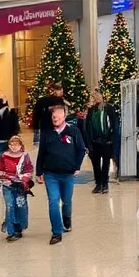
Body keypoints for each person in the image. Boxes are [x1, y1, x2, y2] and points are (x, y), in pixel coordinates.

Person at [35, 105, 87, 245]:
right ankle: (56, 232)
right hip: (50, 173)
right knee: (53, 201)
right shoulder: (47, 133)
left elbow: (81, 150)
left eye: (57, 116)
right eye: (53, 117)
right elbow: (41, 152)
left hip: (67, 174)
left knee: (67, 201)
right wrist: (39, 171)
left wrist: (77, 166)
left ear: (64, 117)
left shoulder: (73, 132)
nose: (55, 119)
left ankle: (67, 217)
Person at [0, 135, 33, 241]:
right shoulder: (4, 156)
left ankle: (19, 227)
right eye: (11, 144)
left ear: (21, 146)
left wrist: (24, 178)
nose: (14, 147)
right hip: (8, 185)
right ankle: (11, 230)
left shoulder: (25, 156)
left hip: (20, 186)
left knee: (20, 206)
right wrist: (2, 175)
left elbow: (29, 169)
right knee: (10, 205)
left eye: (16, 145)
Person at [82, 89, 119, 194]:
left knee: (106, 163)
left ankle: (105, 184)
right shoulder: (91, 111)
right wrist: (88, 144)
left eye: (97, 95)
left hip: (107, 141)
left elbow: (114, 124)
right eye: (94, 96)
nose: (95, 98)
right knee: (96, 164)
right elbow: (88, 128)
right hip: (95, 141)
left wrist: (112, 138)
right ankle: (98, 184)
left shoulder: (109, 109)